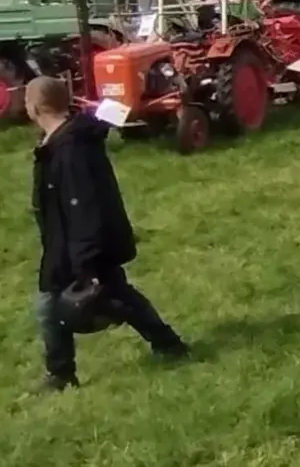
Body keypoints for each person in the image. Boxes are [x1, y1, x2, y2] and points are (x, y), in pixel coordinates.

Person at [27, 76, 188, 392]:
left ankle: (59, 373)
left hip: (77, 244)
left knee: (48, 304)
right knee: (120, 295)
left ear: (34, 108)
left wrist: (84, 259)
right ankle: (168, 343)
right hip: (70, 241)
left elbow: (83, 205)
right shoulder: (62, 142)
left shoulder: (70, 149)